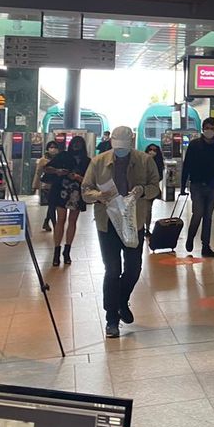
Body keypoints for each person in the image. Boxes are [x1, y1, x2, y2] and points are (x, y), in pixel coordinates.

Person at [82, 126, 160, 338]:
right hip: (107, 223)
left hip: (133, 221)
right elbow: (85, 190)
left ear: (131, 143)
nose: (120, 152)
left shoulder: (144, 160)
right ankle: (111, 319)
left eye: (124, 148)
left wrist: (142, 190)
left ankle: (120, 301)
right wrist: (99, 194)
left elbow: (156, 186)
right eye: (117, 148)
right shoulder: (99, 162)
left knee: (134, 268)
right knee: (112, 269)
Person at [178, 117, 214, 257]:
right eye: (207, 128)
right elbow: (187, 165)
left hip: (211, 185)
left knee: (208, 216)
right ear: (203, 129)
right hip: (197, 184)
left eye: (212, 128)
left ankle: (206, 246)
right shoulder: (194, 144)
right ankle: (191, 237)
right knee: (198, 213)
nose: (209, 131)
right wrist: (182, 186)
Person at [43, 135, 90, 267]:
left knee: (72, 221)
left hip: (76, 192)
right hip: (61, 190)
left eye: (79, 143)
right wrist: (58, 171)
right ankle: (57, 251)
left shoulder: (87, 161)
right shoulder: (63, 155)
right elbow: (46, 168)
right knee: (61, 220)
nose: (76, 146)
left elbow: (90, 179)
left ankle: (67, 250)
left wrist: (78, 177)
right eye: (75, 143)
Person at [33, 140, 61, 232]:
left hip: (57, 185)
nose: (53, 149)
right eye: (51, 147)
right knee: (52, 205)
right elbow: (38, 173)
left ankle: (46, 222)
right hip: (46, 186)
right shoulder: (43, 160)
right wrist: (35, 185)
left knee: (52, 205)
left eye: (55, 147)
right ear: (47, 149)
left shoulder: (60, 159)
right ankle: (55, 225)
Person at [143, 144, 165, 237]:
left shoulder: (158, 163)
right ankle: (141, 228)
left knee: (148, 210)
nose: (152, 151)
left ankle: (146, 228)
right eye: (150, 149)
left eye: (154, 150)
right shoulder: (142, 161)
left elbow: (160, 176)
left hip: (151, 190)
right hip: (141, 188)